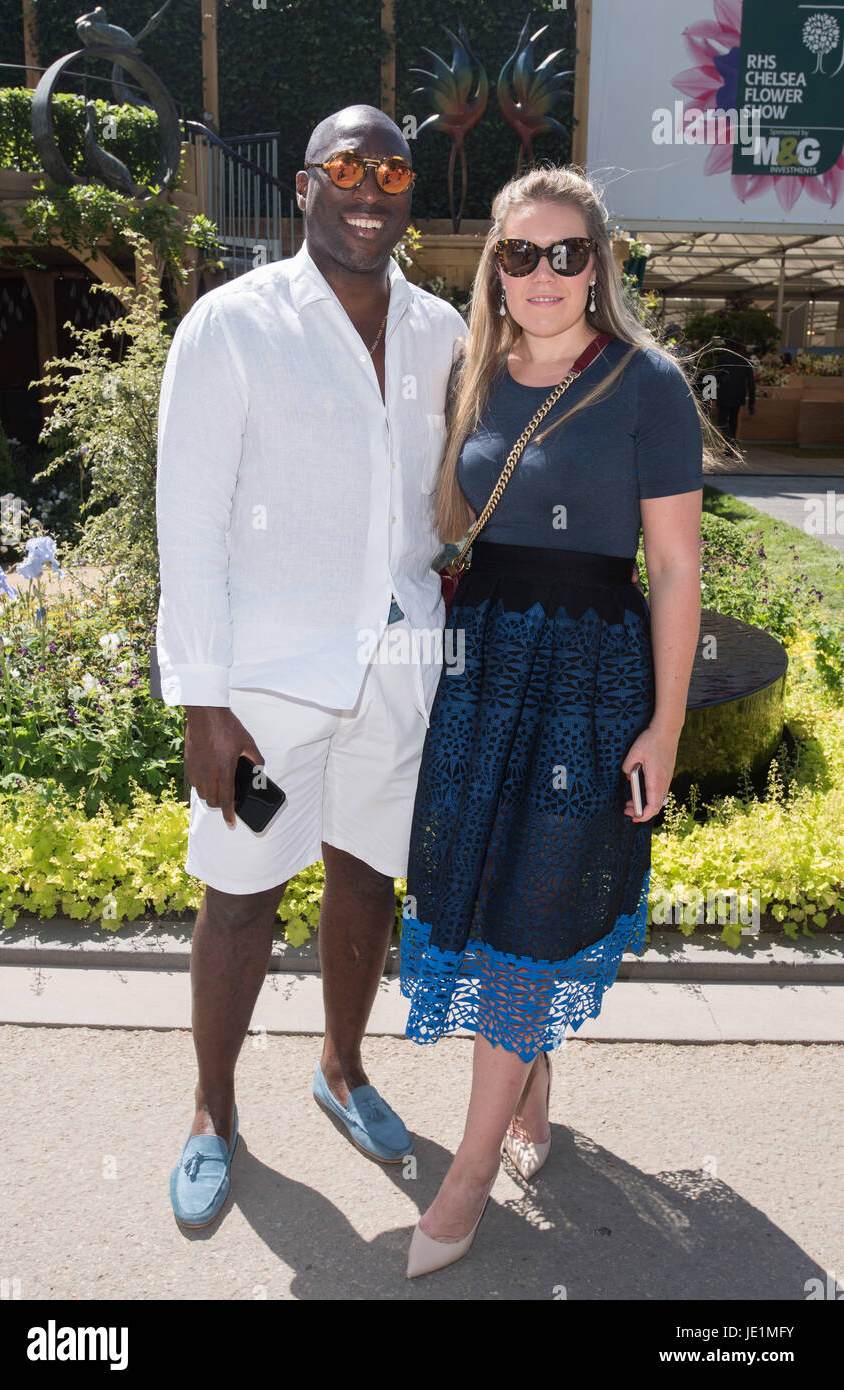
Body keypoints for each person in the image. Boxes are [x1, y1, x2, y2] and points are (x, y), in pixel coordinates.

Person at [155, 105, 467, 1227]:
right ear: (303, 185)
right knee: (240, 894)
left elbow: (450, 494)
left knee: (367, 879)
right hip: (265, 695)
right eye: (346, 164)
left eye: (390, 167)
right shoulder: (231, 326)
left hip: (398, 673)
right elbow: (187, 523)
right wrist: (202, 704)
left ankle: (342, 1067)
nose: (369, 185)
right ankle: (212, 1109)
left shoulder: (441, 332)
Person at [399, 165, 707, 1277]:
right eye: (518, 254)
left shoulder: (646, 384)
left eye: (565, 252)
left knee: (531, 908)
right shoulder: (473, 375)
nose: (541, 274)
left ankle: (470, 1172)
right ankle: (529, 1076)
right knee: (489, 893)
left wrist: (664, 726)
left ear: (599, 264)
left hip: (586, 682)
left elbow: (674, 569)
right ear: (495, 267)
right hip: (485, 676)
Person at [715, 338, 756, 441]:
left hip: (724, 394)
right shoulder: (744, 361)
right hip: (738, 395)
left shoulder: (721, 360)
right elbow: (751, 382)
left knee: (722, 421)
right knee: (734, 421)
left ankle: (728, 442)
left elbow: (716, 377)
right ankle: (731, 443)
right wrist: (751, 402)